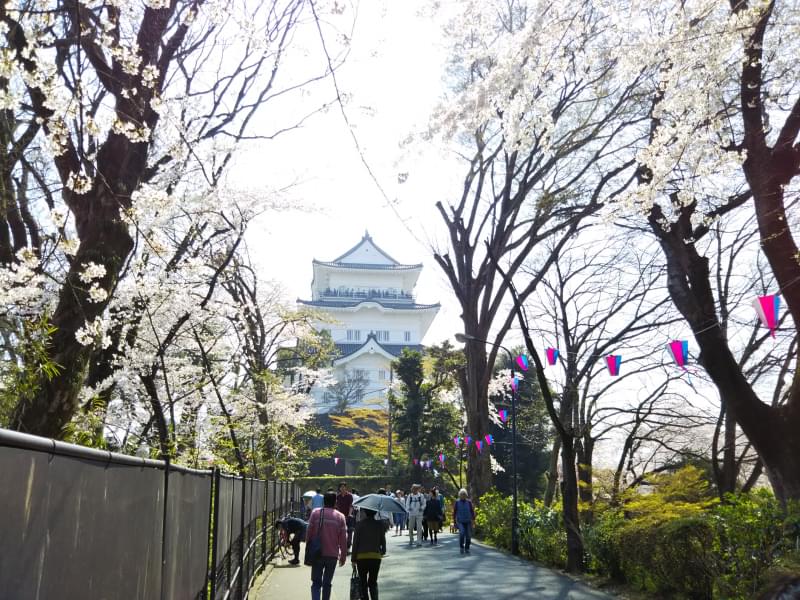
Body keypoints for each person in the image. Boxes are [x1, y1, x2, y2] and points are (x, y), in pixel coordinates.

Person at [307, 491, 347, 600]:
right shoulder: (340, 517)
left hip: (317, 553)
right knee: (327, 583)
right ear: (335, 502)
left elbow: (309, 533)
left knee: (316, 583)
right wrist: (343, 556)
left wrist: (308, 548)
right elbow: (343, 539)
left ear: (323, 501)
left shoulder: (315, 513)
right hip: (332, 555)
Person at [351, 508, 386, 600]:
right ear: (375, 512)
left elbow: (355, 543)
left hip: (361, 558)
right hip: (375, 557)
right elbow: (383, 541)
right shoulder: (380, 524)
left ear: (365, 512)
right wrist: (383, 551)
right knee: (373, 582)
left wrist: (353, 559)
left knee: (363, 582)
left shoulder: (359, 525)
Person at [453, 488, 475, 554]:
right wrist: (454, 522)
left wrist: (473, 520)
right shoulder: (457, 502)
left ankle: (467, 548)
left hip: (468, 521)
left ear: (466, 495)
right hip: (460, 521)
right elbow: (454, 512)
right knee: (462, 533)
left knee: (468, 535)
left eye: (464, 494)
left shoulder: (469, 502)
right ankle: (461, 547)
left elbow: (472, 511)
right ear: (459, 495)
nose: (463, 495)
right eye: (462, 494)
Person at [335, 482, 355, 550]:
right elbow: (337, 506)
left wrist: (349, 515)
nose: (343, 488)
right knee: (340, 531)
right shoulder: (338, 496)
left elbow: (351, 506)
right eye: (341, 487)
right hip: (340, 517)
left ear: (346, 488)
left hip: (348, 516)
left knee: (349, 531)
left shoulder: (349, 496)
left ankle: (348, 545)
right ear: (339, 488)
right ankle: (341, 545)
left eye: (344, 487)